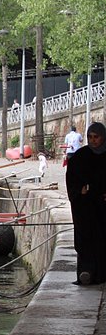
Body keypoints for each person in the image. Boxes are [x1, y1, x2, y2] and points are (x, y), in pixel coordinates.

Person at [65, 121, 106, 285]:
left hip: (102, 208)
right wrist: (78, 191)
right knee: (86, 239)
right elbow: (71, 179)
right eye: (90, 137)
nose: (93, 140)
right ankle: (86, 272)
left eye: (96, 137)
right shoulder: (80, 157)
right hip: (85, 208)